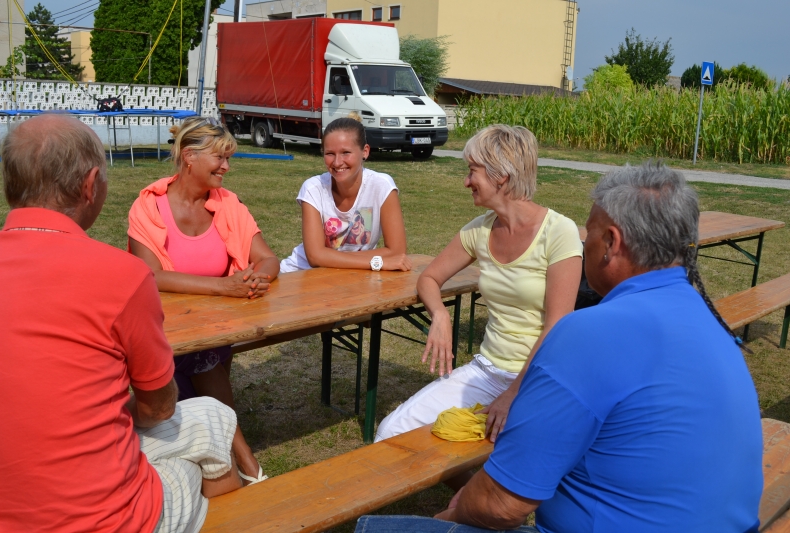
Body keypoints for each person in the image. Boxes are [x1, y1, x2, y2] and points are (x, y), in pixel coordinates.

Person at [356, 162, 764, 533]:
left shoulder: (590, 334)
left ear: (611, 242)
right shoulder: (711, 323)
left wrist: (448, 518)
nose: (584, 245)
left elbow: (501, 505)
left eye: (590, 234)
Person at [0, 114, 245, 533]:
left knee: (210, 417)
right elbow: (158, 406)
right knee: (205, 440)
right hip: (106, 518)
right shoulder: (122, 276)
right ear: (91, 185)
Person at [374, 124, 583, 443]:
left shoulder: (559, 232)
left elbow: (557, 326)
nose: (466, 181)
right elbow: (429, 277)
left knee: (512, 451)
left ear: (501, 176)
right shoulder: (479, 230)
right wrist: (440, 315)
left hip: (541, 379)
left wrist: (513, 394)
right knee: (391, 432)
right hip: (488, 371)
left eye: (473, 171)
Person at [128, 116, 278, 483]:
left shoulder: (227, 203)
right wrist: (224, 288)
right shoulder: (148, 207)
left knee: (202, 362)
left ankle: (229, 457)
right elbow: (150, 276)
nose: (226, 167)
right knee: (202, 360)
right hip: (164, 329)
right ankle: (246, 461)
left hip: (216, 326)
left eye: (228, 158)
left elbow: (268, 258)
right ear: (189, 157)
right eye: (220, 158)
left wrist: (256, 277)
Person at [279, 115, 411, 273]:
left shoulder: (382, 186)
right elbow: (315, 257)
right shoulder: (313, 189)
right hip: (301, 273)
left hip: (351, 276)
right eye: (330, 153)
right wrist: (377, 262)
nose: (337, 162)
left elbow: (397, 251)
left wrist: (331, 257)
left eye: (345, 152)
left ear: (365, 152)